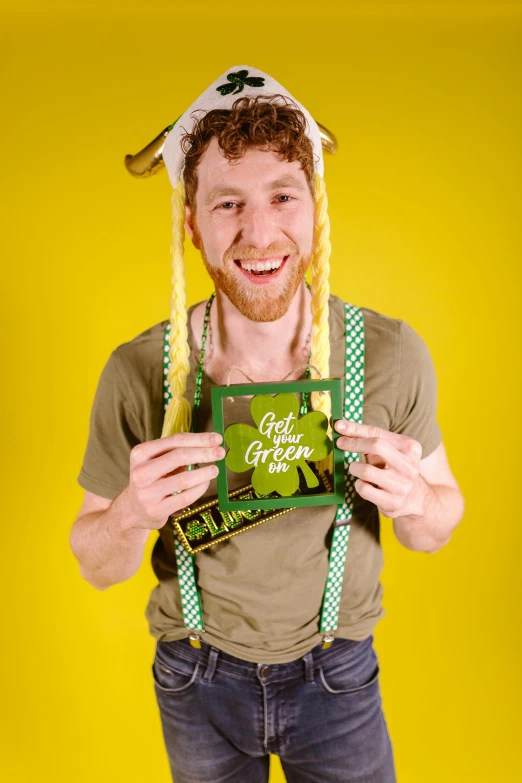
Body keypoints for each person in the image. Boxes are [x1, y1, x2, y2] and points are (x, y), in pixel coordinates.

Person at [70, 66, 465, 783]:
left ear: (315, 206)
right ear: (191, 222)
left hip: (338, 676)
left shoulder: (389, 353)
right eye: (228, 203)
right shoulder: (138, 371)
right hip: (195, 678)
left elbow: (436, 525)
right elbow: (96, 562)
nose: (259, 233)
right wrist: (130, 512)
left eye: (283, 195)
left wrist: (415, 500)